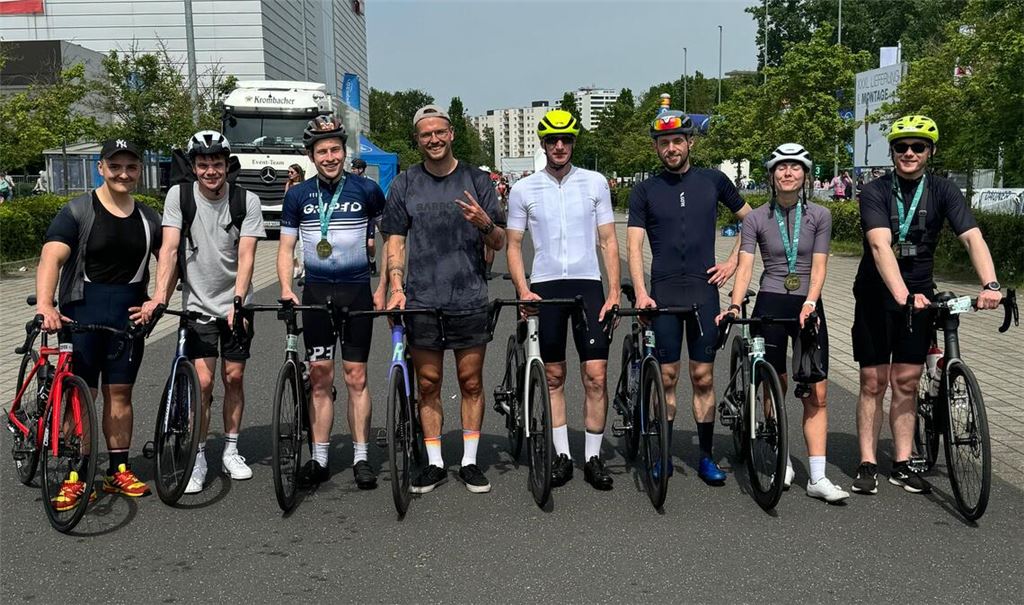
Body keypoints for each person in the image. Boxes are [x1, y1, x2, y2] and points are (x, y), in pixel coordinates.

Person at [851, 115, 1003, 495]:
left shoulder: (943, 189)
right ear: (892, 152)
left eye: (918, 147)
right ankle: (868, 461)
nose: (909, 153)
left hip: (919, 297)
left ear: (930, 152)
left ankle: (902, 461)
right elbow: (879, 245)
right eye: (901, 147)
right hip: (877, 296)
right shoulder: (875, 191)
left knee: (906, 381)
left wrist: (991, 284)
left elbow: (972, 237)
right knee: (874, 382)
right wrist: (902, 296)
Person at [381, 104, 505, 494]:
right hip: (421, 297)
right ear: (417, 140)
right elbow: (395, 240)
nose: (433, 139)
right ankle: (434, 462)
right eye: (425, 135)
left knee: (470, 382)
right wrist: (395, 287)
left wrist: (484, 223)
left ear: (451, 134)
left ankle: (469, 460)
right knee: (429, 383)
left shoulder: (477, 179)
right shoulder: (405, 184)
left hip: (467, 296)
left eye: (439, 132)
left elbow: (499, 240)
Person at [133, 131, 266, 494]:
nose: (211, 170)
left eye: (217, 163)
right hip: (198, 305)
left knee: (234, 378)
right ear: (193, 167)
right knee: (203, 384)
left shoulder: (245, 200)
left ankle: (232, 450)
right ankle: (200, 453)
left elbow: (248, 255)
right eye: (203, 164)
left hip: (237, 303)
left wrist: (238, 301)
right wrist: (160, 296)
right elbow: (171, 247)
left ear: (227, 165)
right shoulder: (179, 196)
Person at [716, 143, 849, 502]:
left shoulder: (819, 215)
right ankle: (781, 457)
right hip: (771, 301)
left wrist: (810, 301)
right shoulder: (756, 218)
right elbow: (745, 266)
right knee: (775, 382)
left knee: (817, 391)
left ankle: (818, 477)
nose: (787, 173)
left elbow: (819, 265)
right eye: (780, 168)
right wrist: (732, 304)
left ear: (805, 175)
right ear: (772, 175)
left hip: (807, 304)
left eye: (795, 168)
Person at [627, 109, 751, 484]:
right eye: (664, 143)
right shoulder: (644, 190)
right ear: (656, 148)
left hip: (703, 291)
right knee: (667, 376)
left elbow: (754, 221)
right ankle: (663, 452)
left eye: (677, 141)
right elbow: (633, 248)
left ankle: (706, 455)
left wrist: (732, 261)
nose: (671, 148)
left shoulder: (713, 180)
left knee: (702, 377)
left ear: (690, 142)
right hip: (663, 292)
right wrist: (643, 294)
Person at [37, 139, 161, 508]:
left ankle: (117, 471)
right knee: (82, 395)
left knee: (120, 394)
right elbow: (51, 258)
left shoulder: (148, 217)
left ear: (139, 171)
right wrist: (46, 304)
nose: (123, 173)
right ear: (101, 167)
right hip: (83, 313)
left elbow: (170, 259)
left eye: (131, 167)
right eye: (116, 166)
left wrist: (159, 300)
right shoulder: (77, 211)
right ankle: (77, 473)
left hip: (127, 317)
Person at [506, 109, 620, 490]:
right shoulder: (524, 189)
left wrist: (615, 290)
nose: (559, 145)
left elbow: (607, 240)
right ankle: (561, 455)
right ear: (543, 143)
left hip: (588, 285)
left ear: (573, 143)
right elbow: (514, 245)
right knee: (554, 376)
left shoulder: (595, 182)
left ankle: (592, 456)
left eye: (566, 139)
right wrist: (523, 290)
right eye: (553, 140)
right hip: (545, 286)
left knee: (596, 376)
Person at [278, 115, 387, 489]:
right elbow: (285, 247)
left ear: (344, 151)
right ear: (312, 155)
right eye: (322, 151)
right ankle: (320, 458)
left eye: (335, 150)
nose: (330, 156)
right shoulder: (298, 195)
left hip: (356, 291)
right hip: (316, 294)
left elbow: (388, 238)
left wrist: (385, 283)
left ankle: (361, 457)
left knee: (356, 377)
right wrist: (284, 287)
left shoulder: (367, 189)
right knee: (321, 378)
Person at [351, 159, 379, 276]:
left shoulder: (370, 183)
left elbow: (377, 200)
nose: (352, 171)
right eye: (351, 168)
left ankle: (372, 261)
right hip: (355, 217)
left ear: (361, 170)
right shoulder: (348, 182)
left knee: (370, 244)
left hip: (369, 217)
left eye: (354, 169)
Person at [285, 164, 306, 279]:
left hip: (302, 218)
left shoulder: (304, 185)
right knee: (290, 245)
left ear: (298, 173)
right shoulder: (289, 184)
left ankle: (304, 269)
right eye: (288, 172)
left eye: (292, 172)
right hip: (291, 218)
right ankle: (296, 266)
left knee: (303, 245)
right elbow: (286, 200)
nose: (289, 174)